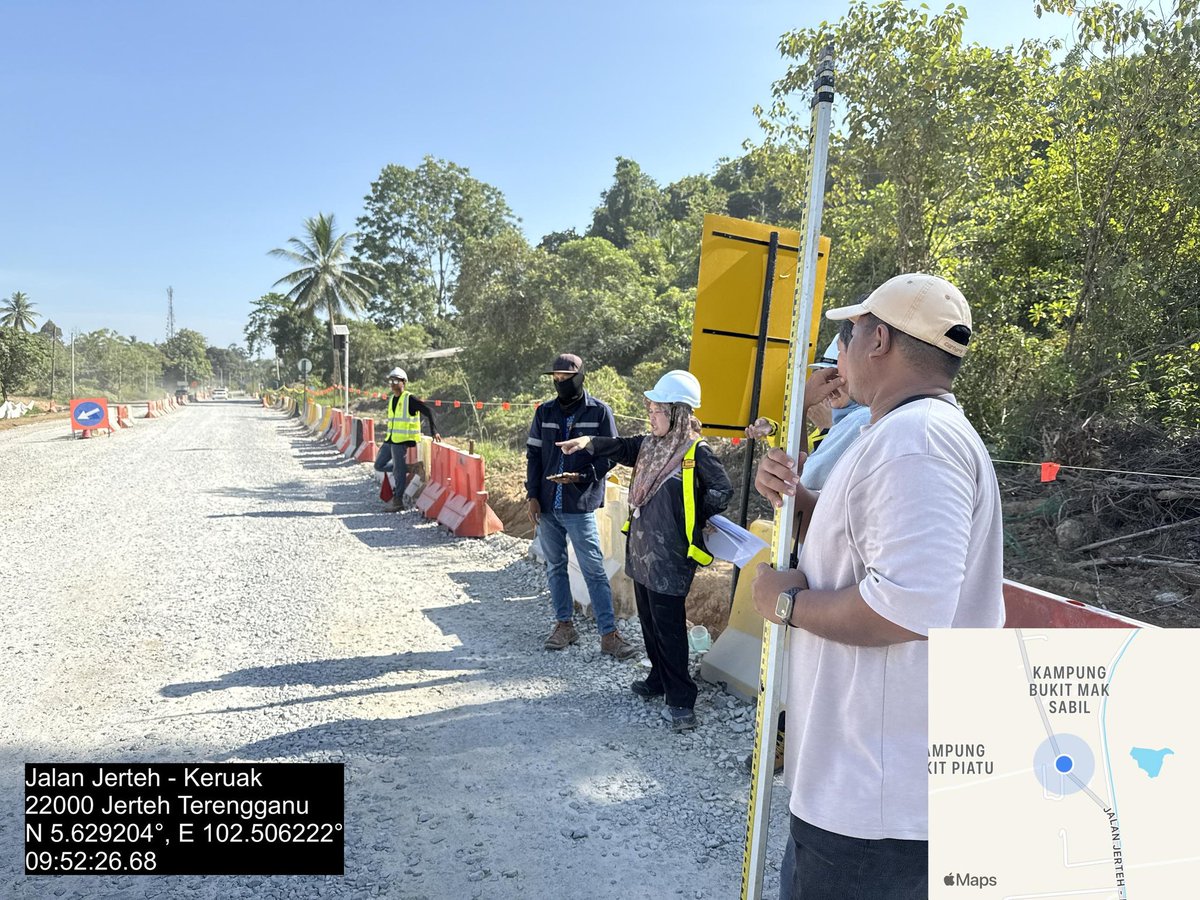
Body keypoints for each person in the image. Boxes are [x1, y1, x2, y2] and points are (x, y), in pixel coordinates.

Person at [750, 273, 1004, 898]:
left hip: (877, 804)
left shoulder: (916, 441)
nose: (840, 351)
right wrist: (803, 502)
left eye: (849, 332)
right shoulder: (896, 432)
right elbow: (867, 552)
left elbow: (907, 610)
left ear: (879, 340)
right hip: (867, 787)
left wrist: (785, 604)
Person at [558, 370, 733, 732]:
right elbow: (621, 447)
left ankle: (681, 699)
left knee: (669, 628)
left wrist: (696, 512)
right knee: (650, 623)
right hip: (641, 549)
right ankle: (657, 678)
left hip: (670, 556)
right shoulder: (651, 445)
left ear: (677, 414)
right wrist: (589, 441)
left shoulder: (695, 451)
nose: (650, 415)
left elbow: (722, 490)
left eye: (656, 410)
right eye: (651, 409)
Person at [526, 353, 638, 660]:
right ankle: (564, 625)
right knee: (555, 567)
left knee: (593, 569)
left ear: (580, 377)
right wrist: (531, 495)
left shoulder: (599, 412)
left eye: (567, 378)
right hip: (548, 504)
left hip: (580, 504)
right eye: (556, 378)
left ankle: (609, 635)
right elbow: (534, 455)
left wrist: (585, 475)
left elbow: (612, 453)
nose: (561, 383)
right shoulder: (544, 412)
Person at [376, 367, 441, 512]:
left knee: (398, 471)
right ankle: (413, 468)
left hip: (402, 440)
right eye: (390, 381)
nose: (392, 384)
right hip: (390, 439)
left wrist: (433, 430)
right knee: (379, 465)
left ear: (403, 382)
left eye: (395, 381)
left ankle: (398, 501)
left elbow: (429, 411)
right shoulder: (392, 398)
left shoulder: (409, 399)